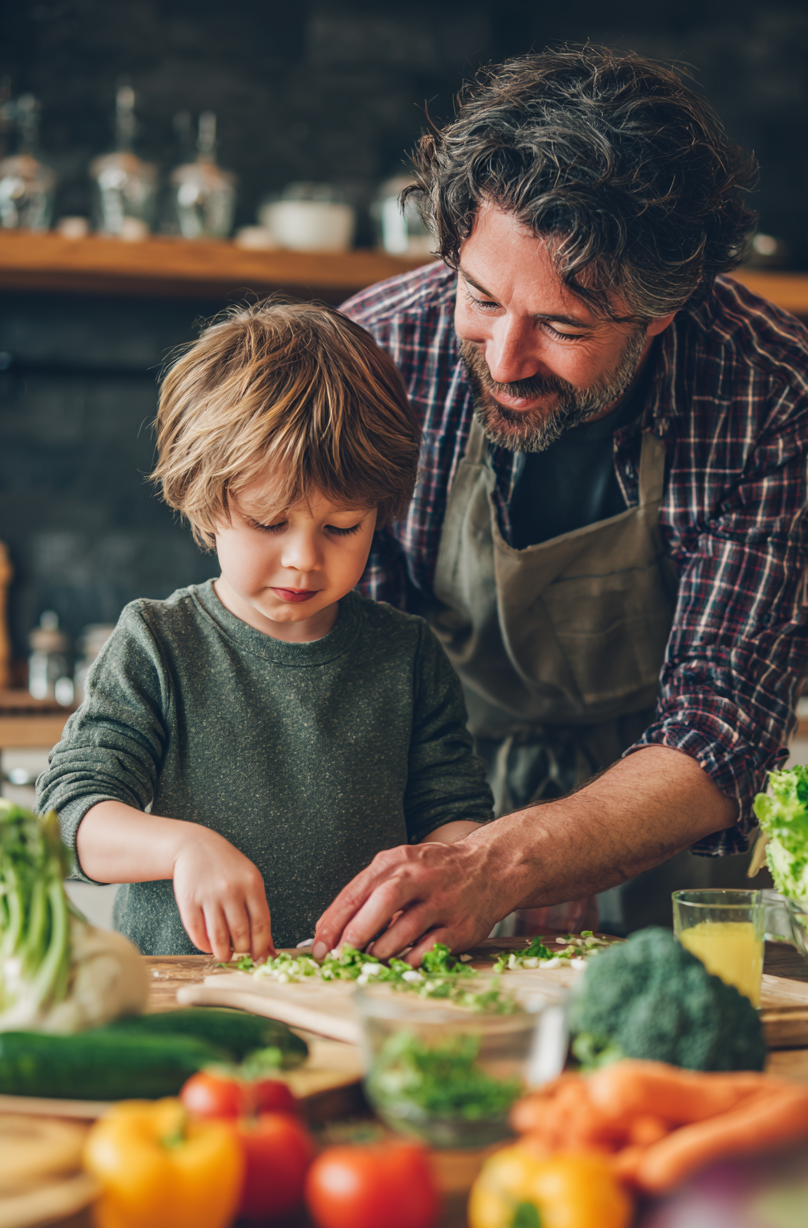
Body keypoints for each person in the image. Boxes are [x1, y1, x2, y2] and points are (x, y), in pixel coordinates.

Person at [311, 46, 808, 964]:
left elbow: (722, 720)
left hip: (662, 826)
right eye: (480, 299)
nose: (507, 358)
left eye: (563, 326)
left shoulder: (774, 387)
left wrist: (531, 856)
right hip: (428, 819)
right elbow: (355, 669)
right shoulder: (378, 352)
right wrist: (472, 846)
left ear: (664, 309)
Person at [35, 301, 494, 958]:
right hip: (187, 1003)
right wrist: (183, 846)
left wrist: (455, 881)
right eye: (269, 522)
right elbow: (67, 820)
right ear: (205, 500)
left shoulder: (407, 655)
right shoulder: (157, 645)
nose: (305, 559)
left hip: (358, 997)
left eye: (342, 528)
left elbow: (456, 823)